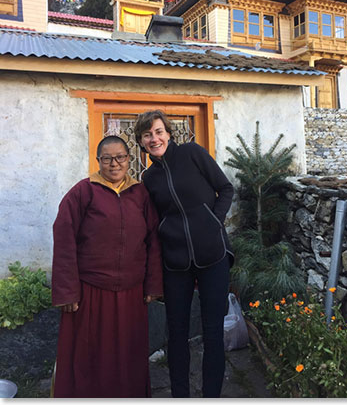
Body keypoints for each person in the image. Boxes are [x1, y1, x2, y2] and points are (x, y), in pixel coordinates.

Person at [51, 135, 163, 398]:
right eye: (107, 158)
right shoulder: (82, 192)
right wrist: (67, 291)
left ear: (129, 159)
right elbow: (64, 238)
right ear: (98, 161)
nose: (114, 164)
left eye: (120, 157)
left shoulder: (141, 194)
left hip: (132, 293)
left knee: (127, 354)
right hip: (91, 293)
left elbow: (153, 240)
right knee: (89, 356)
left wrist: (153, 284)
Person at [134, 110, 234, 398]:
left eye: (158, 131)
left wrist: (213, 222)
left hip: (213, 255)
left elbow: (225, 189)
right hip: (175, 262)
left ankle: (211, 396)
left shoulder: (192, 153)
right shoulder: (149, 178)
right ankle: (180, 396)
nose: (154, 139)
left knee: (213, 331)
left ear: (168, 133)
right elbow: (153, 220)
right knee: (176, 335)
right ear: (141, 142)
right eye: (147, 135)